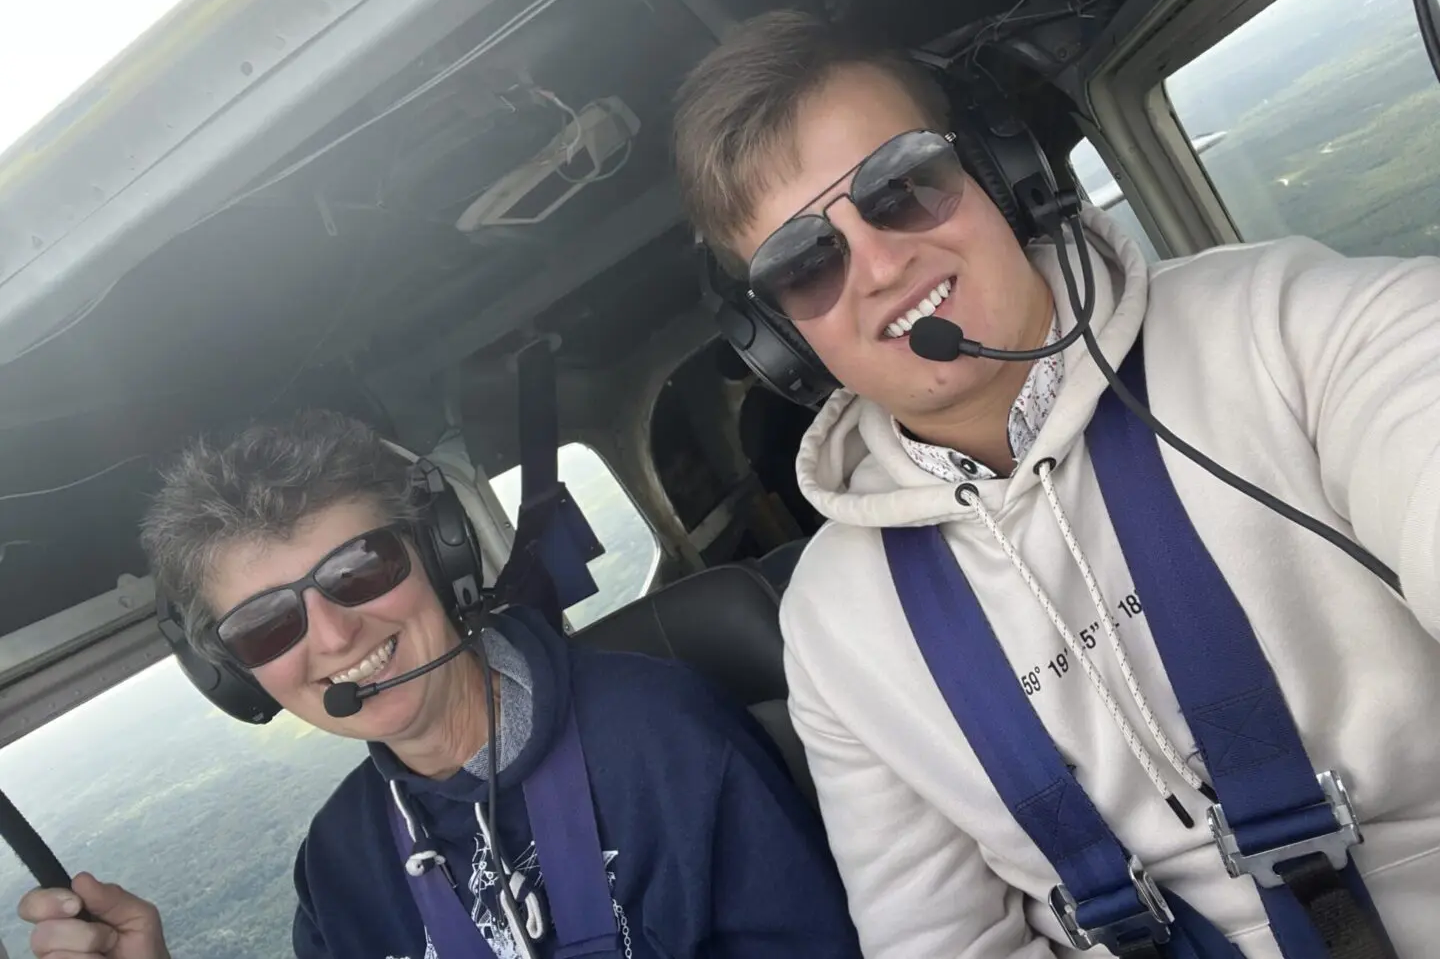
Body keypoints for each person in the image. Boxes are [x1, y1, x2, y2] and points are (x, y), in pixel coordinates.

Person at [672, 9, 1440, 958]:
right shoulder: (832, 624)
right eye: (805, 264)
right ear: (783, 341)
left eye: (903, 185)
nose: (877, 264)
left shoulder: (1296, 331)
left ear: (1003, 171)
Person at [17, 410, 862, 959]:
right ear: (238, 675)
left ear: (440, 554)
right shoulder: (340, 862)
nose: (336, 634)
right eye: (268, 624)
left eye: (358, 568)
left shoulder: (665, 738)